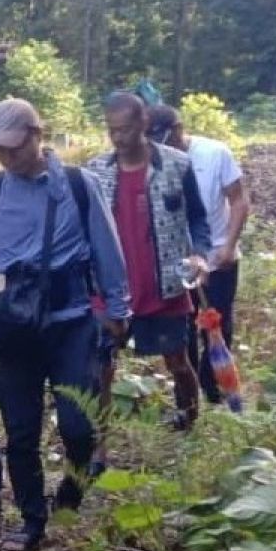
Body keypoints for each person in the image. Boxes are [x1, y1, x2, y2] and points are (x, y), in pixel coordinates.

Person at [0, 98, 132, 551]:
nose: (6, 157)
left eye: (14, 147)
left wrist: (118, 311)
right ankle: (31, 520)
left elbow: (107, 249)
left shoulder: (79, 186)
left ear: (37, 136)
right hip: (16, 328)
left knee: (79, 427)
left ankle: (73, 490)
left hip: (72, 322)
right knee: (20, 432)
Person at [87, 92, 212, 430]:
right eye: (112, 130)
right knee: (103, 366)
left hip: (164, 285)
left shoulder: (176, 165)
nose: (118, 138)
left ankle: (189, 419)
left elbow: (198, 217)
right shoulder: (95, 172)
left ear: (143, 123)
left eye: (125, 129)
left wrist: (199, 255)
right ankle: (100, 440)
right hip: (112, 289)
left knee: (178, 361)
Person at [147, 104, 251, 405]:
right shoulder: (152, 161)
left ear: (178, 130)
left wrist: (228, 246)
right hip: (176, 263)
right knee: (183, 331)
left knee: (218, 326)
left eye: (164, 139)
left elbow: (239, 200)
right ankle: (188, 397)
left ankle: (213, 386)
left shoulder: (214, 153)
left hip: (218, 258)